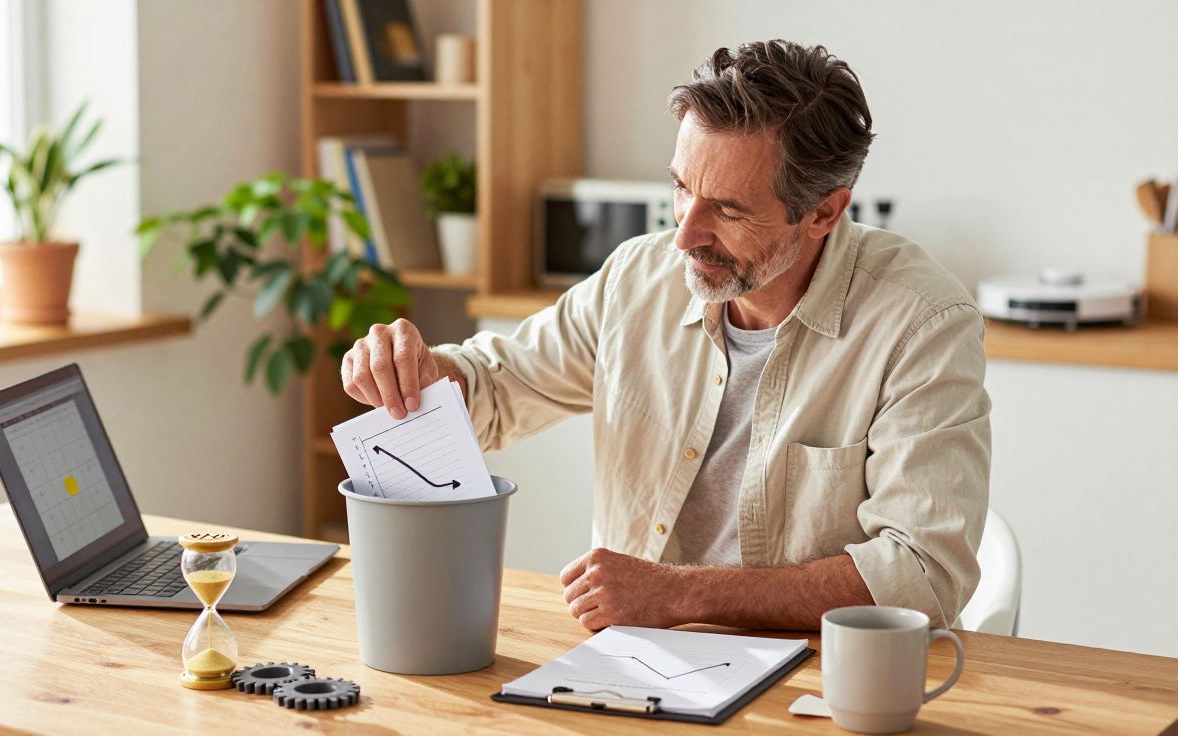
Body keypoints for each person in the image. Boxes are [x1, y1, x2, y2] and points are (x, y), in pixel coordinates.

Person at [340, 40, 991, 631]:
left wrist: (682, 595)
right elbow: (497, 389)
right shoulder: (638, 277)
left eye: (728, 210)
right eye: (681, 188)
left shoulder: (922, 322)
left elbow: (923, 577)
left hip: (823, 685)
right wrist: (421, 370)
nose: (684, 234)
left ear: (823, 212)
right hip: (635, 666)